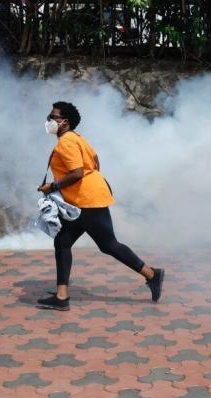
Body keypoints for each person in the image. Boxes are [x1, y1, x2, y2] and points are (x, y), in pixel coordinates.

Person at [37, 101, 165, 310]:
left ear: (65, 122)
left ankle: (152, 274)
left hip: (86, 201)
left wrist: (52, 186)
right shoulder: (78, 139)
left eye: (53, 117)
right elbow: (95, 163)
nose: (49, 120)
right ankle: (62, 296)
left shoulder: (66, 142)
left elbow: (77, 172)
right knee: (66, 242)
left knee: (106, 244)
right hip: (89, 198)